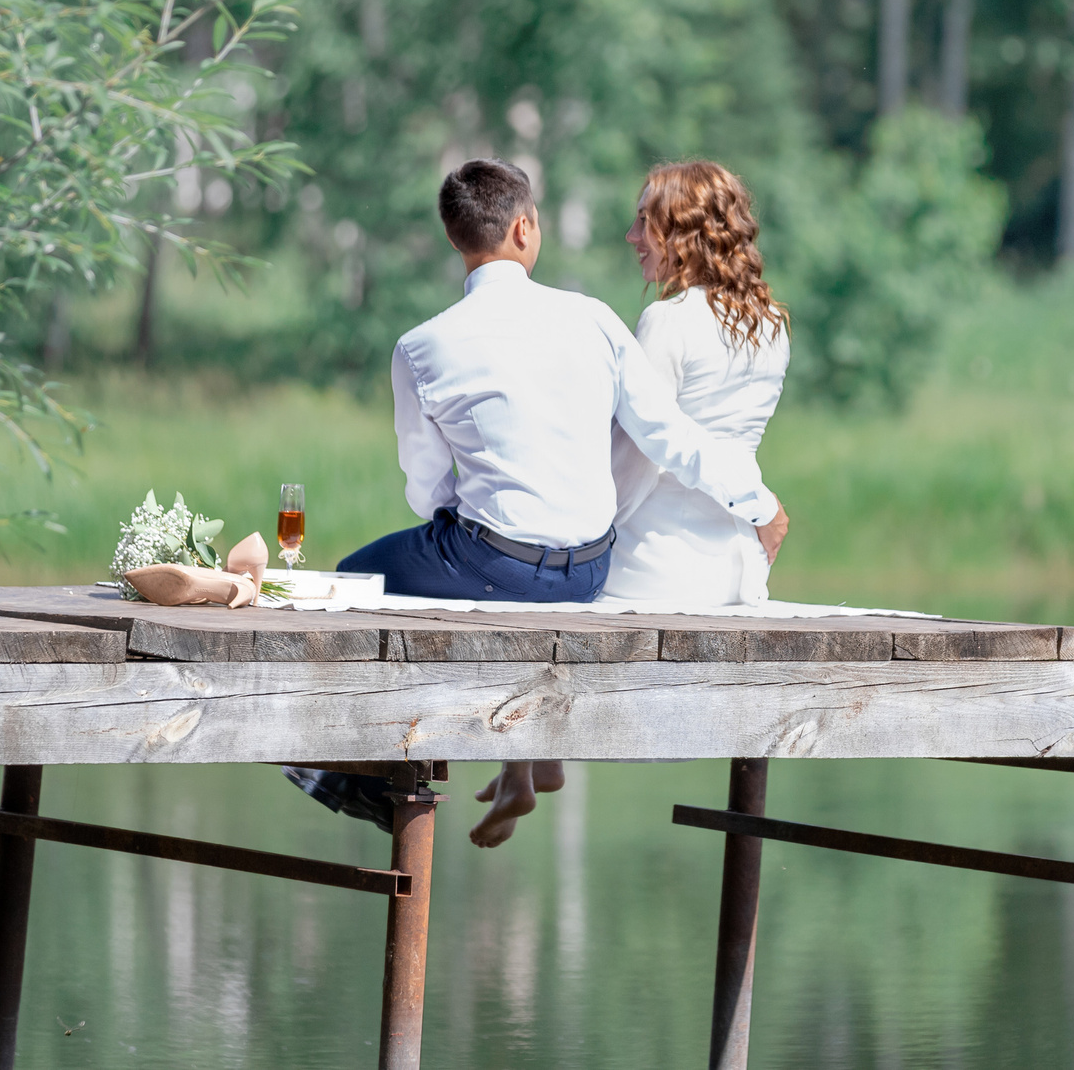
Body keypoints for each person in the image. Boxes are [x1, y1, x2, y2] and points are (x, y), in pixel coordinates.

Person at [287, 159, 790, 837]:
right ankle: (503, 762)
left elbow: (424, 484)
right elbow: (671, 438)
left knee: (351, 580)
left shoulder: (420, 345)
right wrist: (759, 503)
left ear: (454, 238)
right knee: (481, 561)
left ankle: (359, 784)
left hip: (498, 560)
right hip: (588, 570)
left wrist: (466, 519)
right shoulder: (598, 319)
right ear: (525, 227)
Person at [599, 161, 793, 608]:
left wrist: (587, 533)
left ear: (683, 231)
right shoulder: (772, 325)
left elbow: (640, 452)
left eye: (645, 221)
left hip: (655, 566)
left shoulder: (667, 319)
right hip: (741, 565)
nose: (632, 236)